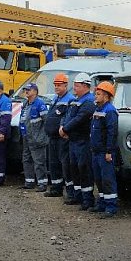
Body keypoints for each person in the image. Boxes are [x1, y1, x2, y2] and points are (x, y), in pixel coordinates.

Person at [59, 72, 96, 209]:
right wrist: (63, 127)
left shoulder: (89, 102)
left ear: (86, 86)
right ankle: (77, 196)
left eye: (77, 86)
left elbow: (79, 119)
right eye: (74, 85)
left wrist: (65, 129)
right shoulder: (75, 100)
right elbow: (67, 115)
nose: (74, 88)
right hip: (73, 140)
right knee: (74, 168)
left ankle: (87, 200)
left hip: (83, 141)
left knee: (84, 169)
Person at [88, 81, 119, 218]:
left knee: (107, 180)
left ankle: (111, 207)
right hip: (96, 151)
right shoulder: (98, 109)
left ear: (106, 96)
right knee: (99, 179)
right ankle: (102, 203)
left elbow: (112, 132)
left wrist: (108, 151)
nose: (95, 96)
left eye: (98, 94)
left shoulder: (110, 111)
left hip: (104, 153)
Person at [44, 73, 75, 201]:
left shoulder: (70, 99)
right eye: (55, 85)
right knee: (53, 163)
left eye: (59, 85)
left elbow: (67, 117)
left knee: (65, 165)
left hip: (62, 138)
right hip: (52, 137)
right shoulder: (55, 99)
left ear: (66, 85)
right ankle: (56, 188)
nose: (56, 87)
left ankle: (70, 191)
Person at [18, 83, 49, 191]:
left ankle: (42, 183)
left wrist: (42, 136)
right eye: (25, 89)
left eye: (29, 90)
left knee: (39, 161)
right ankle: (29, 181)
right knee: (26, 159)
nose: (26, 91)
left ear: (35, 91)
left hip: (37, 138)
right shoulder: (25, 103)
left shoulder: (40, 104)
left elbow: (47, 121)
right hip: (26, 137)